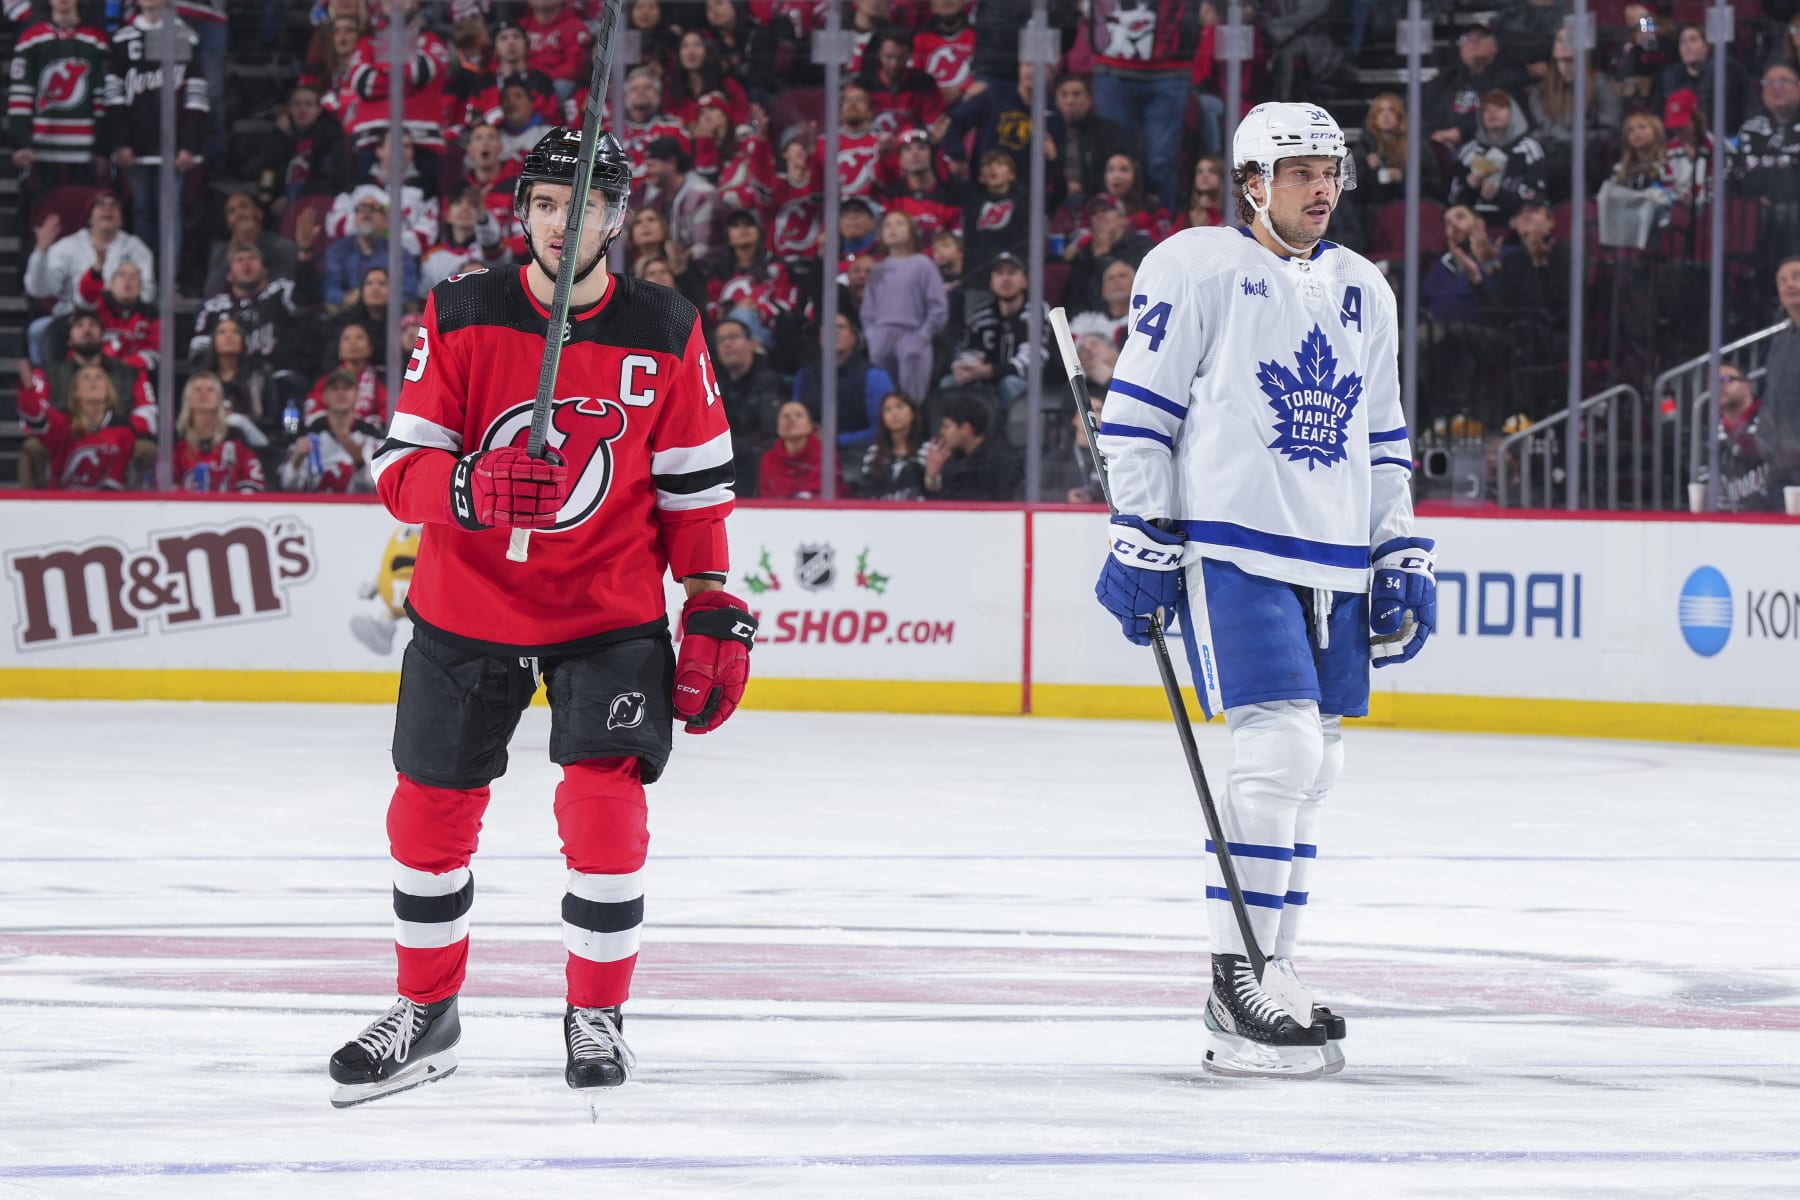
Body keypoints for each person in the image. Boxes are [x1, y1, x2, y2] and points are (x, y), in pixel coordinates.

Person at [329, 126, 755, 1107]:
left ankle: (597, 1014)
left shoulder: (665, 327)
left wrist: (710, 600)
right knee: (427, 817)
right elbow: (398, 472)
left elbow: (694, 494)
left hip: (605, 610)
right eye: (549, 204)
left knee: (605, 817)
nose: (565, 223)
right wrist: (469, 486)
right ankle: (425, 1013)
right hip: (466, 604)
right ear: (523, 212)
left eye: (587, 205)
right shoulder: (463, 309)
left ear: (619, 217)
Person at [1091, 103, 1434, 1079]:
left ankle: (1274, 968)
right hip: (1234, 544)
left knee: (1318, 766)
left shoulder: (1364, 286)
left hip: (1337, 557)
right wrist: (1143, 527)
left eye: (1331, 170)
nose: (1321, 188)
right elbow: (1139, 412)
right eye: (1299, 171)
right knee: (1277, 748)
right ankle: (1233, 978)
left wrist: (1397, 549)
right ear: (1251, 183)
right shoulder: (1195, 266)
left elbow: (1384, 435)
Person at [862, 211, 948, 405]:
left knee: (911, 399)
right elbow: (868, 310)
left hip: (912, 333)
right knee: (883, 397)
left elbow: (938, 307)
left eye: (899, 224)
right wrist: (872, 336)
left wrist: (923, 335)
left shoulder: (923, 265)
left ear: (911, 232)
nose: (893, 229)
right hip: (882, 336)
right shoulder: (878, 269)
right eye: (887, 225)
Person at [14, 361, 137, 490]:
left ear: (108, 390)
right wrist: (28, 390)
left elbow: (117, 474)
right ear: (76, 392)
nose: (93, 382)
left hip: (108, 499)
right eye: (86, 378)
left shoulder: (123, 428)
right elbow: (36, 419)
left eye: (99, 377)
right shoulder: (62, 423)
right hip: (64, 498)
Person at [281, 367, 382, 493]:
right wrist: (298, 459)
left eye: (346, 388)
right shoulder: (307, 436)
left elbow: (381, 488)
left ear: (357, 396)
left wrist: (359, 462)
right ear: (324, 397)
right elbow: (287, 485)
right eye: (335, 388)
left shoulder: (372, 438)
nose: (341, 393)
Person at [1693, 364, 1777, 511]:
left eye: (1726, 379)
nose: (1719, 386)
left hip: (1773, 518)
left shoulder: (1772, 419)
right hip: (1726, 520)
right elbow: (1703, 481)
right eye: (1713, 382)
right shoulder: (1710, 433)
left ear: (1747, 387)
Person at [171, 371, 267, 493]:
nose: (204, 393)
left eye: (210, 390)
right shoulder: (177, 437)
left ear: (220, 399)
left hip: (230, 503)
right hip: (183, 504)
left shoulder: (234, 435)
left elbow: (253, 479)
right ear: (188, 399)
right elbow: (163, 483)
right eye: (197, 389)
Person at [922, 390, 1020, 499]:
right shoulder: (951, 459)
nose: (941, 432)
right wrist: (932, 476)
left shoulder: (1000, 461)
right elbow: (939, 504)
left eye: (946, 426)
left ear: (966, 429)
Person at [860, 390, 928, 500]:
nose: (894, 413)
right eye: (887, 410)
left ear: (912, 413)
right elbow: (867, 493)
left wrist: (932, 475)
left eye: (899, 407)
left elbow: (933, 491)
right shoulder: (874, 453)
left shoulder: (928, 451)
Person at [757, 398, 823, 499]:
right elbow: (765, 496)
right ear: (778, 427)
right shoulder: (769, 459)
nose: (792, 419)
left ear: (810, 425)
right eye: (786, 416)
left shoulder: (825, 457)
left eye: (799, 415)